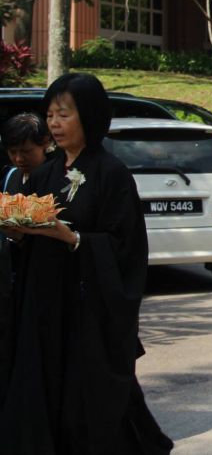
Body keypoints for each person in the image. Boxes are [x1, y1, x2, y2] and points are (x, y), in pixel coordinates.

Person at [0, 73, 172, 453]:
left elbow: (126, 249)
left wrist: (74, 238)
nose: (55, 124)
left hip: (90, 313)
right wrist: (16, 233)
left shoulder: (112, 175)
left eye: (64, 114)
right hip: (44, 307)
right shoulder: (44, 173)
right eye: (50, 115)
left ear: (90, 116)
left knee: (93, 404)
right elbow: (26, 236)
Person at [0, 113, 52, 397]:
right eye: (13, 151)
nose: (19, 158)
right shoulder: (10, 176)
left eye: (26, 151)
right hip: (11, 276)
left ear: (45, 144)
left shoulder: (56, 178)